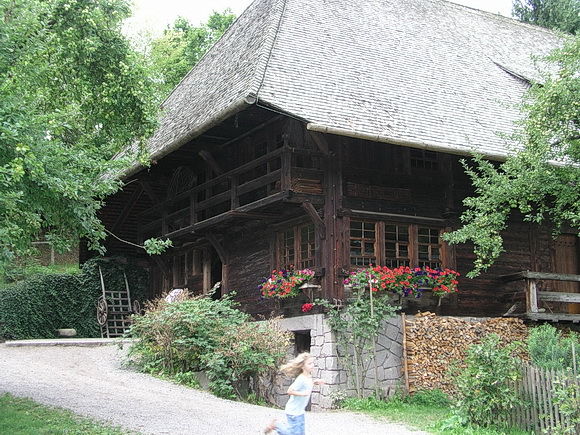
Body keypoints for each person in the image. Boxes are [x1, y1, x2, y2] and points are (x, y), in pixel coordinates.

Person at [264, 352, 325, 435]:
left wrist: (315, 382)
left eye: (312, 363)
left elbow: (307, 386)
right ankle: (276, 425)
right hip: (293, 411)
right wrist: (302, 394)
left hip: (300, 411)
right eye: (309, 363)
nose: (312, 365)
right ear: (303, 366)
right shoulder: (301, 379)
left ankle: (276, 425)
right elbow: (290, 391)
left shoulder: (308, 377)